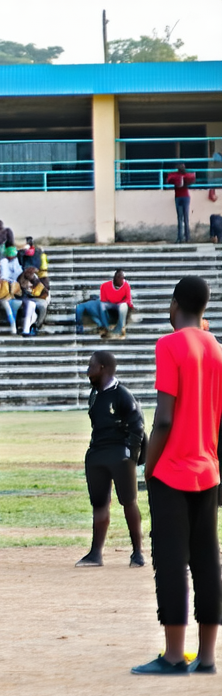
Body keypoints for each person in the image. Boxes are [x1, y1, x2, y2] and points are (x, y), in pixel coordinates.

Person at [135, 276, 222, 675]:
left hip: (173, 470)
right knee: (207, 560)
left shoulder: (169, 345)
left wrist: (149, 468)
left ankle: (173, 655)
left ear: (174, 305)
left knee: (171, 560)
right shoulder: (216, 348)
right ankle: (206, 657)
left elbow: (164, 420)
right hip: (208, 468)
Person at [78, 351, 145, 568]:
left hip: (120, 454)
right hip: (97, 454)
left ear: (103, 368)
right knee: (99, 504)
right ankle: (95, 553)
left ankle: (137, 553)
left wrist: (131, 457)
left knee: (128, 502)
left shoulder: (122, 395)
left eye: (91, 366)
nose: (87, 371)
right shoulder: (94, 394)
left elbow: (137, 426)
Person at [165, 163, 195, 243]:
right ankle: (185, 237)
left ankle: (182, 238)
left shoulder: (178, 176)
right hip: (183, 197)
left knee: (181, 218)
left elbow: (169, 180)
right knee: (184, 218)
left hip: (180, 197)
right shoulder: (184, 175)